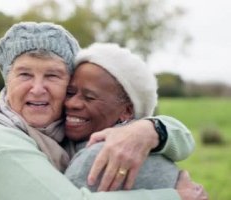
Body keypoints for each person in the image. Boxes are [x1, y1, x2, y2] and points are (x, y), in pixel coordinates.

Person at [0, 22, 205, 200]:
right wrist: (173, 196)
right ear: (6, 80)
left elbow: (184, 141)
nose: (38, 89)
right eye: (25, 74)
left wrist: (150, 130)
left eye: (53, 75)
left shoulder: (67, 125)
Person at [64, 42, 181, 192]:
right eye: (70, 92)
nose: (72, 103)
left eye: (89, 97)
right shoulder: (152, 147)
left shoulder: (96, 158)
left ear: (127, 110)